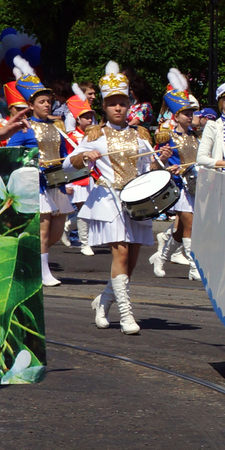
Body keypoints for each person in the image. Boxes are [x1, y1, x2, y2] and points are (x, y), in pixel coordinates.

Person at [68, 63, 167, 335]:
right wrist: (84, 157)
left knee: (130, 262)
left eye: (122, 103)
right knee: (120, 254)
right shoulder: (95, 135)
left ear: (129, 105)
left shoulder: (141, 136)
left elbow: (150, 170)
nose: (118, 108)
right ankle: (126, 316)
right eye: (112, 104)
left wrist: (162, 162)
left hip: (137, 203)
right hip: (110, 199)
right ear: (104, 106)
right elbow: (68, 163)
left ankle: (103, 302)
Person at [1, 59, 76, 287]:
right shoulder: (25, 128)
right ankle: (43, 273)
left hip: (57, 182)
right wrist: (32, 166)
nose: (47, 105)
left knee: (56, 232)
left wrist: (69, 175)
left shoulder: (57, 127)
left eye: (49, 101)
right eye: (42, 101)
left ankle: (31, 258)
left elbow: (64, 154)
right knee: (43, 231)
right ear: (31, 105)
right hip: (38, 184)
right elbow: (10, 154)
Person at [151, 69, 201, 281]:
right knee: (190, 226)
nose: (190, 117)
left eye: (191, 113)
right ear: (176, 116)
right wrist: (166, 164)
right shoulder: (167, 136)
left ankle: (161, 257)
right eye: (186, 113)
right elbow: (157, 163)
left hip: (194, 185)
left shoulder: (195, 137)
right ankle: (193, 267)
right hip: (179, 187)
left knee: (180, 231)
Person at [65, 92, 97, 255]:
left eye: (91, 118)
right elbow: (68, 160)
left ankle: (68, 226)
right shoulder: (71, 137)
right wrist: (68, 183)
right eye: (86, 118)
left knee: (89, 211)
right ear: (78, 119)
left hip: (91, 177)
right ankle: (85, 243)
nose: (90, 121)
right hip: (77, 178)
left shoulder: (95, 136)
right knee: (84, 211)